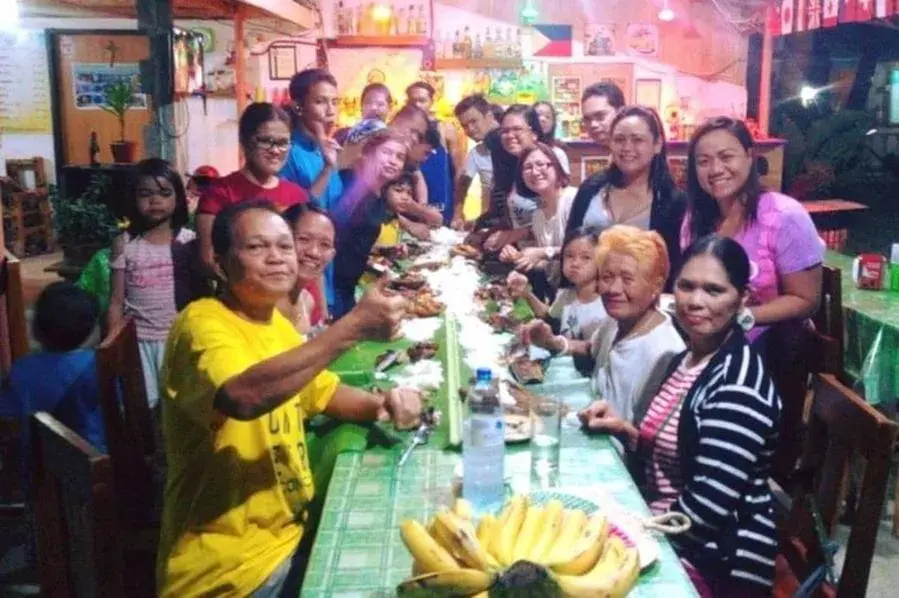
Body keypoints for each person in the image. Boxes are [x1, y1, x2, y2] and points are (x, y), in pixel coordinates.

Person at [157, 200, 422, 597]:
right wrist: (351, 328)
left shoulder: (273, 324)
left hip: (286, 538)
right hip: (231, 571)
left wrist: (381, 405)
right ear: (220, 261)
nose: (277, 258)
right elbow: (243, 395)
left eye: (284, 247)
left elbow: (322, 391)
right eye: (257, 247)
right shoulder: (202, 322)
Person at [579, 235, 781, 596]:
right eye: (686, 286)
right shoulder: (690, 358)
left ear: (742, 299)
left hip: (714, 562)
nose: (695, 301)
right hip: (669, 526)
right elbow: (678, 452)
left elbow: (704, 511)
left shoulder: (737, 385)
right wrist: (625, 429)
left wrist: (627, 534)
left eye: (714, 290)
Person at [681, 117, 823, 342]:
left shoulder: (784, 215)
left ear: (749, 157)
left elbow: (806, 300)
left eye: (726, 157)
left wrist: (743, 317)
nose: (715, 169)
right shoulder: (694, 219)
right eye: (703, 161)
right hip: (707, 342)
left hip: (769, 348)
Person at [529, 226, 684, 423]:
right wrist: (552, 342)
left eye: (628, 279)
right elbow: (591, 348)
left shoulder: (665, 353)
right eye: (607, 277)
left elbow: (658, 440)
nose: (613, 289)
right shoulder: (615, 321)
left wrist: (620, 429)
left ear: (656, 285)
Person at [107, 158, 200, 410]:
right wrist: (114, 346)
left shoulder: (189, 242)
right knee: (141, 411)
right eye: (145, 194)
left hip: (180, 340)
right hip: (139, 343)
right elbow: (116, 300)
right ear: (132, 199)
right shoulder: (125, 243)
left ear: (179, 198)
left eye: (164, 193)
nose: (155, 200)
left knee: (181, 408)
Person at [566, 105, 686, 287]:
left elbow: (672, 268)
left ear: (657, 145)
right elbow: (570, 245)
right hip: (585, 301)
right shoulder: (591, 188)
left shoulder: (673, 202)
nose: (627, 147)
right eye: (619, 139)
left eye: (637, 140)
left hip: (641, 307)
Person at [331, 130, 438, 317]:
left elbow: (358, 239)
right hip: (332, 286)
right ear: (368, 153)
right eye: (386, 152)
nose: (393, 160)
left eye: (399, 156)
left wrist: (385, 251)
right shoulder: (349, 181)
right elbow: (335, 229)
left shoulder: (379, 194)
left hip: (349, 285)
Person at [197, 102, 309, 279]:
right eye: (266, 141)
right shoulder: (220, 193)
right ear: (244, 141)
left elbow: (305, 260)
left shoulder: (297, 196)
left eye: (283, 143)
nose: (275, 150)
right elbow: (209, 260)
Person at [0, 282, 106, 456]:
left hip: (36, 468)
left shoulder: (22, 369)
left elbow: (8, 420)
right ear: (90, 329)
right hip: (91, 464)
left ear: (36, 329)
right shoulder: (98, 366)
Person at [483, 105, 571, 251]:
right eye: (504, 131)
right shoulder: (512, 164)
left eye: (517, 129)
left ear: (534, 133)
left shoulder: (551, 157)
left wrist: (517, 234)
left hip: (551, 254)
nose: (510, 135)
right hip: (523, 255)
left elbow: (560, 213)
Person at [509, 227, 606, 346]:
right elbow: (550, 316)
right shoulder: (567, 294)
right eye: (569, 256)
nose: (575, 263)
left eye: (585, 257)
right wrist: (526, 293)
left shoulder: (604, 310)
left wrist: (554, 343)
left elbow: (592, 351)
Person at [498, 143, 578, 273]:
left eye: (541, 164)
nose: (534, 172)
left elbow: (587, 250)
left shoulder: (573, 200)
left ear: (556, 167)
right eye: (527, 168)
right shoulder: (538, 215)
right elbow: (549, 266)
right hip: (558, 290)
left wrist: (543, 252)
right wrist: (518, 256)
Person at [405, 81, 463, 223]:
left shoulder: (445, 129)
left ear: (432, 101)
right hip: (410, 204)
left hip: (441, 203)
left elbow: (459, 172)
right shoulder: (403, 129)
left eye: (422, 100)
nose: (417, 105)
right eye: (413, 101)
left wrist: (458, 211)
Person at [280, 203, 337, 334]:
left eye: (325, 245)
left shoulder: (307, 302)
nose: (314, 252)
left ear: (332, 255)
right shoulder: (259, 300)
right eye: (304, 239)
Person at [451, 94, 499, 229]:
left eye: (474, 121)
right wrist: (458, 215)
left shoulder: (512, 147)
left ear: (489, 116)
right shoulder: (476, 153)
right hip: (491, 226)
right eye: (465, 126)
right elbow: (462, 184)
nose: (470, 129)